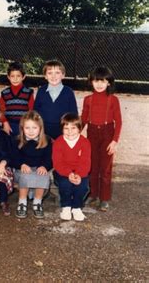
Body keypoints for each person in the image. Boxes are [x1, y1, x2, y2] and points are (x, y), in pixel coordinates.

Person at [81, 67, 122, 211]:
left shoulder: (113, 100)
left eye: (103, 81)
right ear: (91, 82)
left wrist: (114, 140)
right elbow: (83, 120)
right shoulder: (88, 100)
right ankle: (93, 195)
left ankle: (104, 199)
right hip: (92, 133)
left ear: (109, 83)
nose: (99, 84)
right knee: (92, 166)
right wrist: (75, 135)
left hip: (107, 133)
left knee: (105, 169)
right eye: (96, 81)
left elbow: (119, 121)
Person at [11, 111, 52, 219]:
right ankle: (22, 202)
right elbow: (13, 157)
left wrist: (44, 166)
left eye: (34, 128)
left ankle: (37, 202)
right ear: (22, 128)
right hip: (22, 169)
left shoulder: (46, 141)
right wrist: (21, 164)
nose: (31, 131)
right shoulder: (17, 140)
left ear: (40, 128)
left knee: (43, 175)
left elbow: (49, 158)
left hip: (38, 168)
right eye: (27, 128)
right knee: (25, 175)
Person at [53, 113, 91, 221]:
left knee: (83, 186)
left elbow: (85, 162)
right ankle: (66, 206)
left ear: (79, 128)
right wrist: (69, 173)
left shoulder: (85, 142)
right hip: (63, 171)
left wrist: (78, 175)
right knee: (65, 184)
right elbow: (58, 163)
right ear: (62, 129)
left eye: (73, 128)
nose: (70, 132)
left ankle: (76, 207)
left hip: (80, 171)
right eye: (66, 128)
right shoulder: (58, 142)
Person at [34, 60, 78, 139]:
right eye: (50, 73)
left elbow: (73, 113)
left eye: (57, 73)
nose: (53, 76)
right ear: (45, 76)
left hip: (62, 129)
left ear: (63, 75)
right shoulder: (41, 91)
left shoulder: (68, 92)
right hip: (44, 129)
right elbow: (36, 111)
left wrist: (71, 130)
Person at [0, 62, 34, 135]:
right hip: (8, 125)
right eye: (12, 76)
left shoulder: (28, 92)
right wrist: (5, 122)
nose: (15, 79)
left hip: (24, 125)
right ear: (8, 77)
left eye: (18, 76)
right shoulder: (5, 93)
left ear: (23, 77)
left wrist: (27, 125)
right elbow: (0, 110)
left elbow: (31, 111)